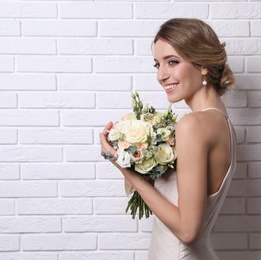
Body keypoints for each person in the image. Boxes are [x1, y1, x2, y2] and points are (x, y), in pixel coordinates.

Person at [100, 18, 236, 260]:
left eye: (172, 62)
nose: (161, 76)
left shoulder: (193, 125)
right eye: (157, 64)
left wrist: (124, 167)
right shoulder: (221, 123)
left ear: (203, 64)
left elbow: (188, 231)